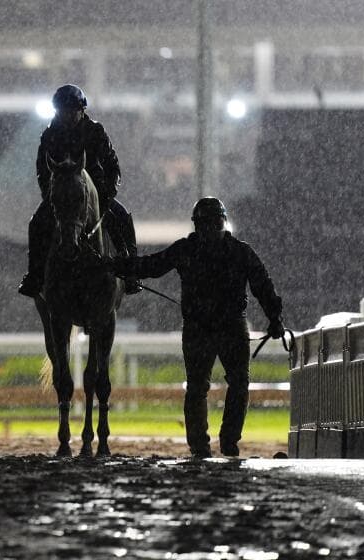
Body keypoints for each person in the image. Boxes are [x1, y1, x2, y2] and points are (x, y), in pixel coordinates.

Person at [110, 197, 285, 459]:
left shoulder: (188, 249)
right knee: (235, 385)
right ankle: (227, 444)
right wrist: (275, 319)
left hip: (201, 329)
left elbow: (152, 266)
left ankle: (202, 447)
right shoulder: (239, 251)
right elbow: (263, 286)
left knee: (198, 388)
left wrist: (114, 265)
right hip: (229, 328)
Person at [18, 83, 140, 297]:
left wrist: (108, 194)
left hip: (95, 193)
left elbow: (113, 166)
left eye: (71, 111)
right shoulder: (49, 135)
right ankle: (35, 275)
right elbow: (42, 170)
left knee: (122, 218)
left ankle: (131, 270)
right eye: (62, 111)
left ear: (81, 110)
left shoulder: (95, 131)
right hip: (62, 195)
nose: (66, 116)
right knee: (36, 223)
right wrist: (50, 195)